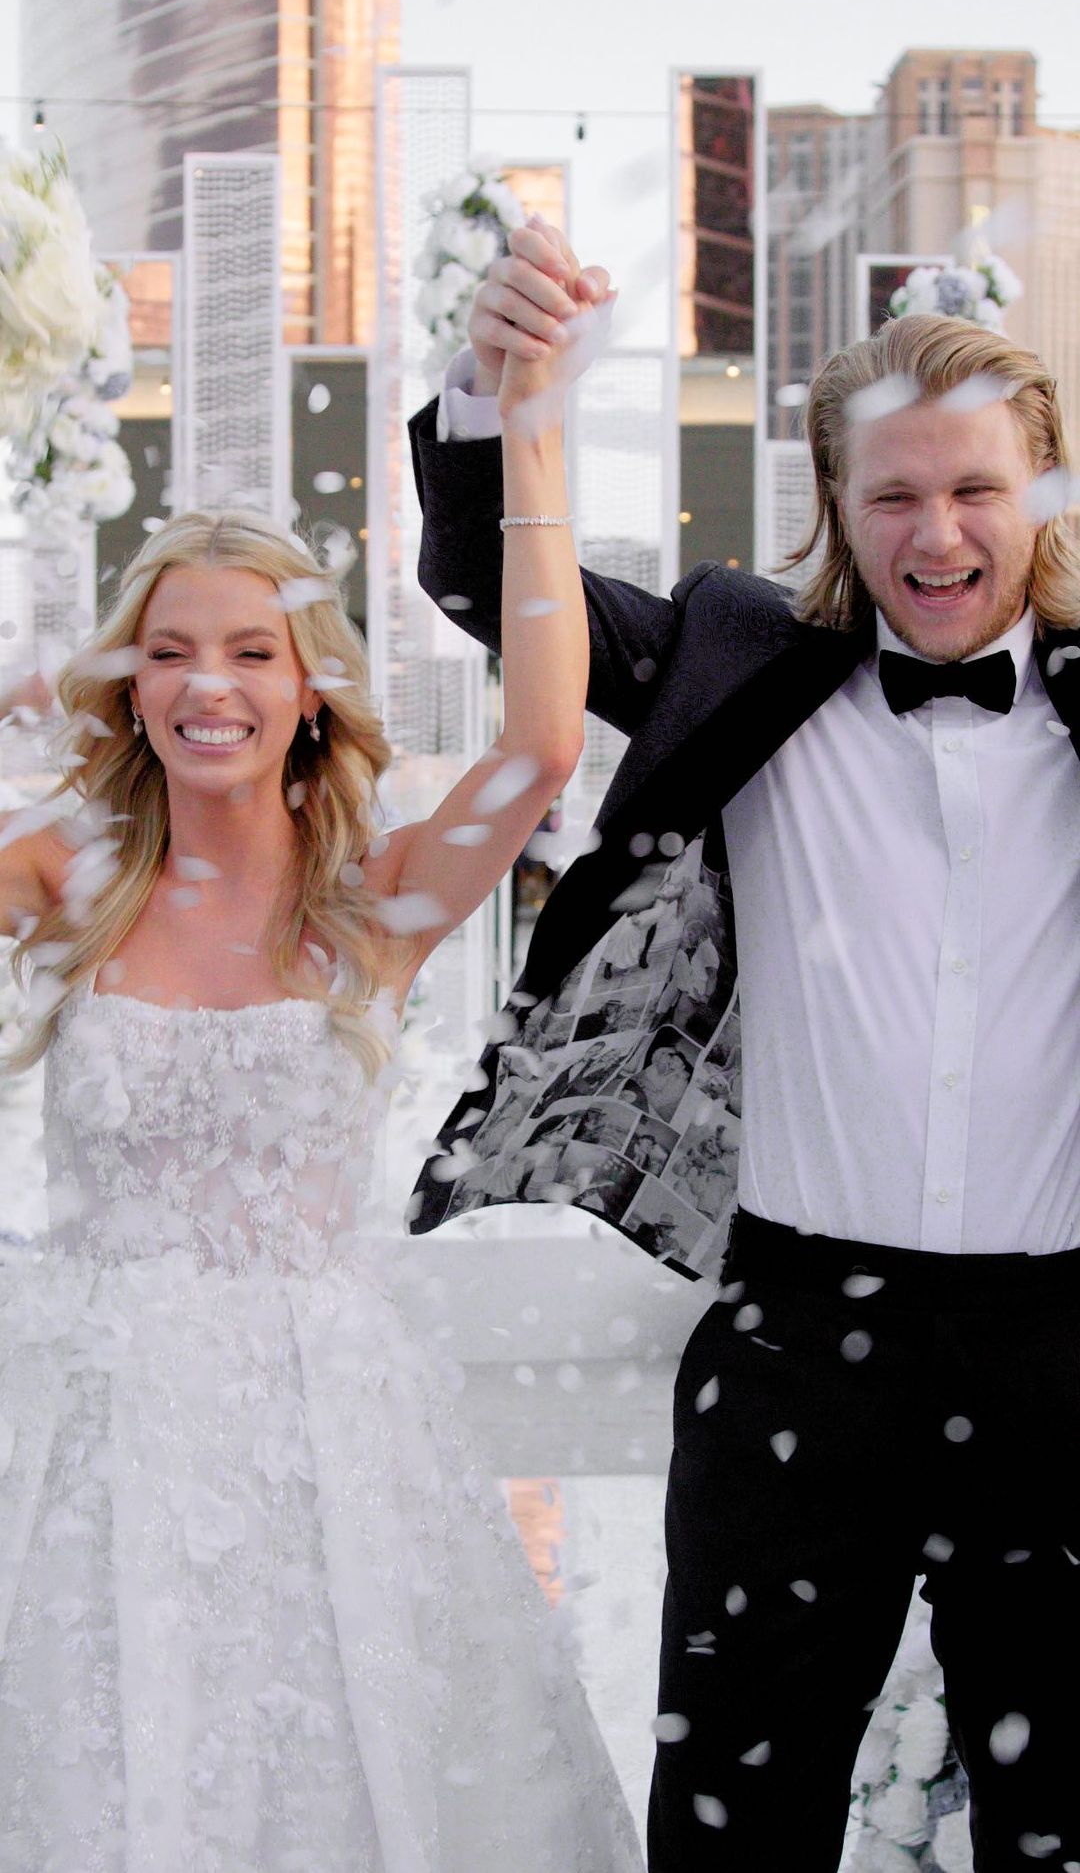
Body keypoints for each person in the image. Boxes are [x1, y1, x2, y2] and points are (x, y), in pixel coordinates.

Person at [405, 219, 1080, 1871]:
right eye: (893, 494)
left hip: (1065, 1357)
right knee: (731, 1830)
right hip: (795, 1346)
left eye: (976, 488)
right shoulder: (736, 663)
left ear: (1045, 491)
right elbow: (493, 582)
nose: (936, 532)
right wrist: (495, 391)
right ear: (837, 503)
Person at [0, 221, 644, 1873]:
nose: (205, 684)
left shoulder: (378, 900)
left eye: (249, 650)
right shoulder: (60, 871)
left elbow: (542, 742)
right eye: (168, 649)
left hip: (328, 1438)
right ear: (128, 682)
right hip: (93, 1441)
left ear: (309, 688)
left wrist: (530, 422)